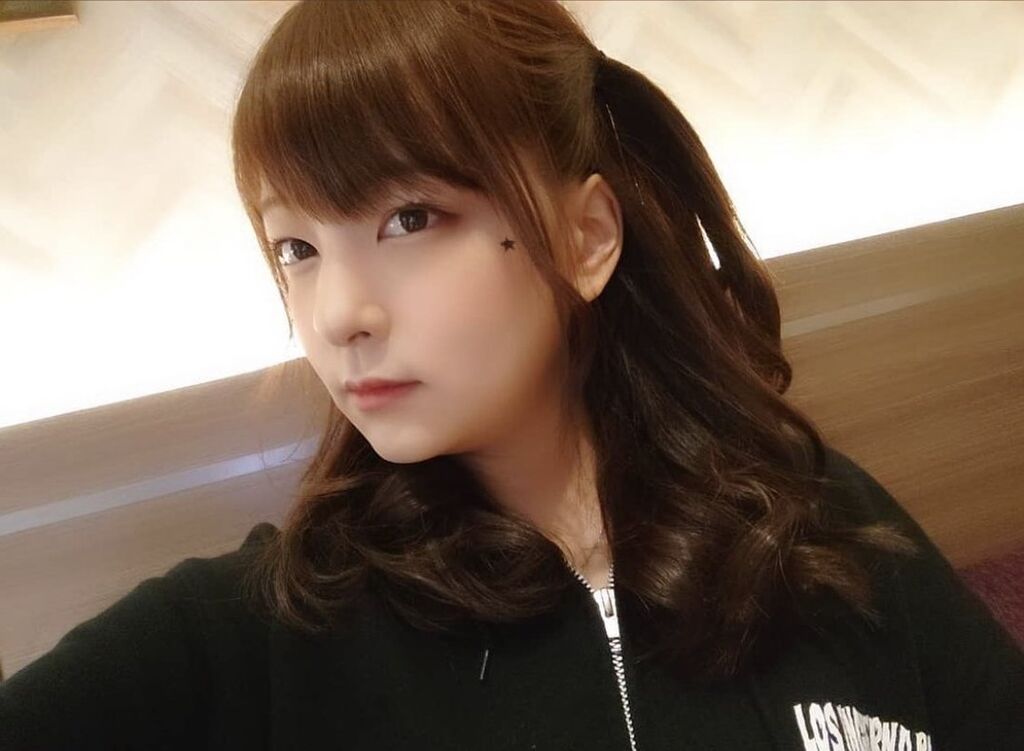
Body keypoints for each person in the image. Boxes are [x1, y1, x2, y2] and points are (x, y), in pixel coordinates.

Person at [2, 1, 1022, 749]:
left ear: (586, 238)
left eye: (409, 219)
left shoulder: (816, 531)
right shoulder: (261, 632)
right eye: (296, 248)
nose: (337, 313)